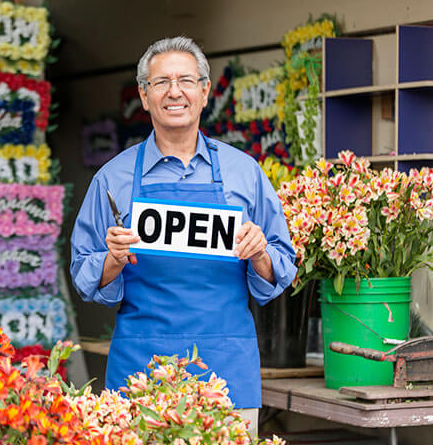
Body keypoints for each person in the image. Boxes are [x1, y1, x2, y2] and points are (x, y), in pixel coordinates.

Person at [70, 36, 297, 435]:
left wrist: (259, 253)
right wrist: (113, 258)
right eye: (161, 83)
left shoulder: (245, 173)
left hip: (226, 367)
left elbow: (282, 267)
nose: (174, 92)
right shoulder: (112, 178)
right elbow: (83, 273)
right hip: (141, 372)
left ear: (205, 91)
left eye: (186, 81)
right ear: (144, 95)